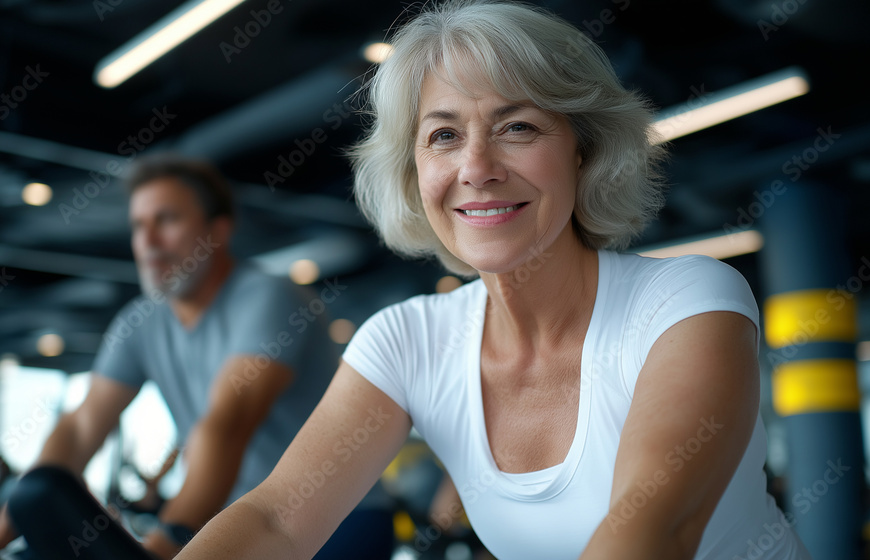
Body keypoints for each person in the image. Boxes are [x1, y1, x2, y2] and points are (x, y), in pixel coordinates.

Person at [175, 1, 813, 559]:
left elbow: (652, 530)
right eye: (444, 135)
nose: (476, 167)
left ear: (583, 150)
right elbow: (277, 521)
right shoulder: (406, 342)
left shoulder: (685, 302)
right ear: (413, 170)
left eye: (518, 127)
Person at [0, 155, 392, 560]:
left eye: (167, 220)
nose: (149, 242)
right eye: (139, 225)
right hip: (243, 519)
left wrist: (165, 543)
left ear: (218, 230)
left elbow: (227, 426)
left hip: (339, 517)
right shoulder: (139, 321)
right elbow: (81, 429)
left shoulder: (270, 298)